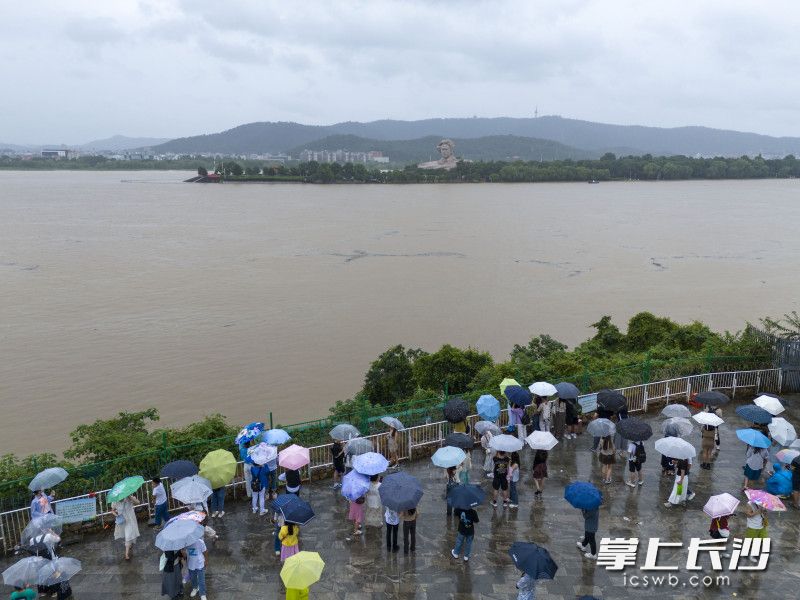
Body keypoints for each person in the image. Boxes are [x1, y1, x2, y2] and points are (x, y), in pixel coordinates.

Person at [111, 494, 140, 560]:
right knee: (126, 534)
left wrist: (130, 497)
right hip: (122, 520)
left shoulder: (128, 497)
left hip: (130, 519)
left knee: (128, 535)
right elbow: (112, 510)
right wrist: (116, 514)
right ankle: (129, 544)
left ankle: (126, 554)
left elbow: (138, 502)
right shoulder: (115, 501)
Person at [186, 536, 208, 600]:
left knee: (201, 580)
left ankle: (203, 594)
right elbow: (185, 554)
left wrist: (206, 561)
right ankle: (195, 588)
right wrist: (183, 552)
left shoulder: (200, 542)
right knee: (193, 578)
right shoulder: (185, 542)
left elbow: (205, 552)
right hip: (191, 563)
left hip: (200, 563)